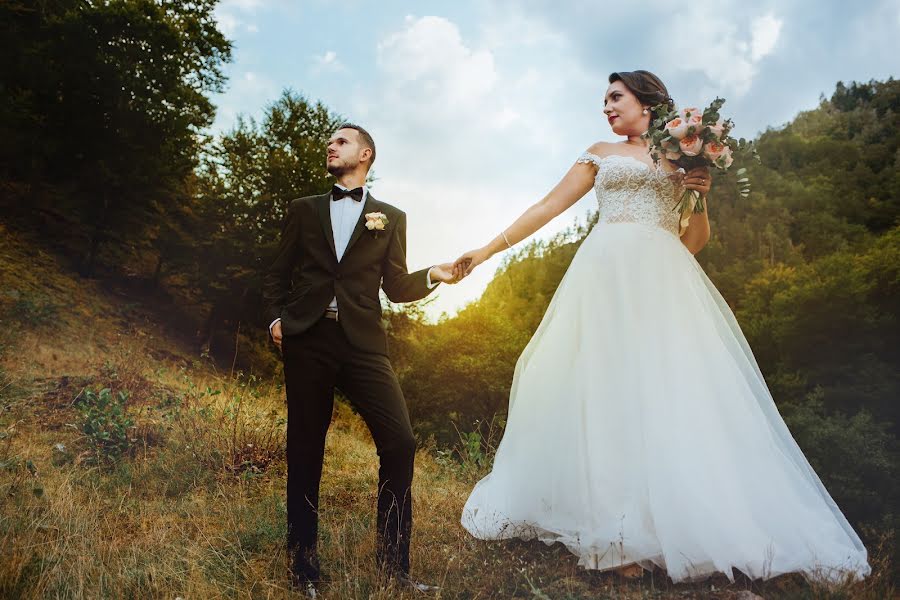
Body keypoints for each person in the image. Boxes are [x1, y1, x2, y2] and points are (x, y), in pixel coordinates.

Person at [453, 70, 871, 584]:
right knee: (604, 391)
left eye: (615, 97)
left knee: (668, 393)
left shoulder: (681, 159)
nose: (606, 107)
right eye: (604, 100)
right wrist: (488, 249)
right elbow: (546, 207)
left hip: (662, 281)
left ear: (647, 103)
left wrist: (700, 192)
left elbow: (693, 241)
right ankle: (615, 531)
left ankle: (688, 525)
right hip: (603, 276)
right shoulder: (599, 152)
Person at [263, 123, 459, 597]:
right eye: (329, 141)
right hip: (307, 337)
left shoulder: (390, 217)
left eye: (342, 141)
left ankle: (394, 566)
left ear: (366, 154)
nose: (331, 145)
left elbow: (394, 286)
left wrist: (433, 273)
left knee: (401, 442)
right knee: (305, 448)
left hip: (363, 343)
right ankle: (303, 565)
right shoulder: (303, 210)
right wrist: (275, 318)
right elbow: (276, 272)